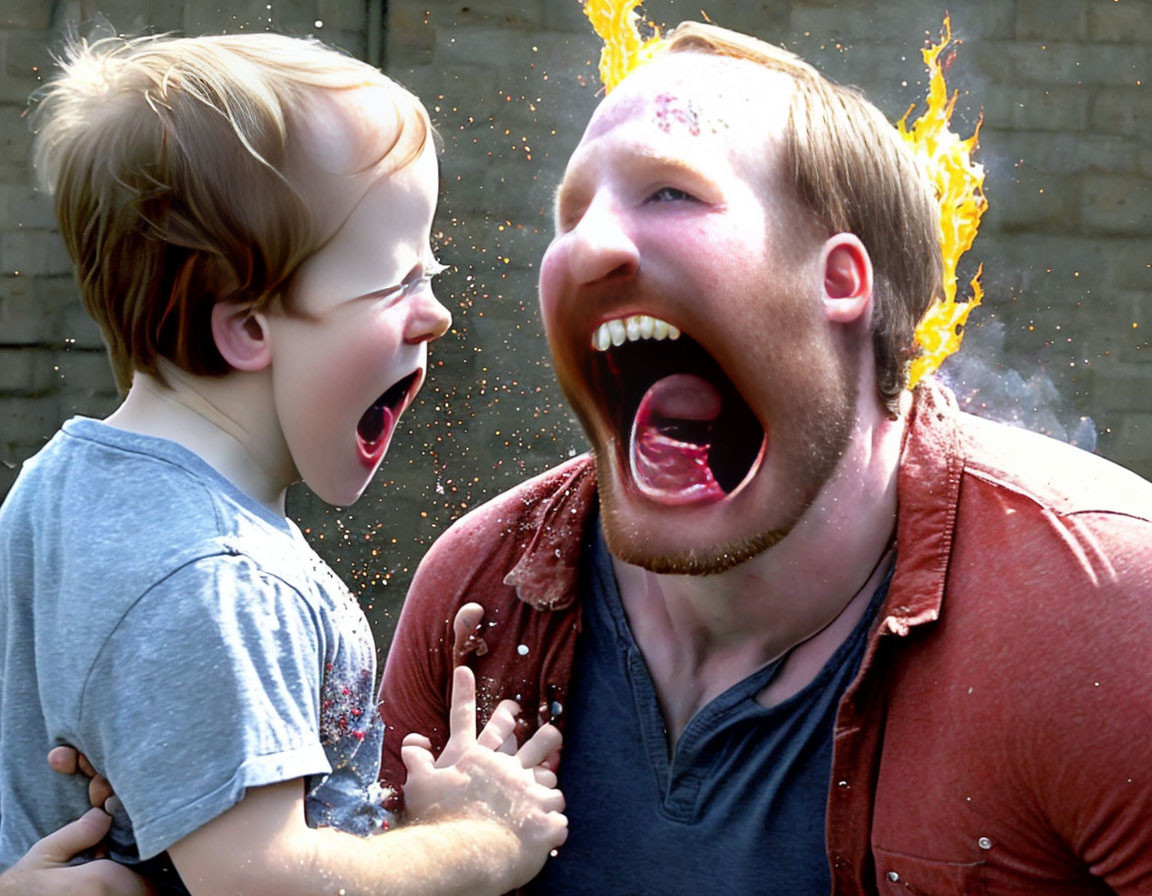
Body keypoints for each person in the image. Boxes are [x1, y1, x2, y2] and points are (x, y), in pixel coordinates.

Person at [377, 20, 1152, 895]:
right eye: (572, 212)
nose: (586, 246)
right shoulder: (482, 594)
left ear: (841, 281)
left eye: (670, 193)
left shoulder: (1104, 602)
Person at [0, 30, 566, 896]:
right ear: (250, 327)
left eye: (434, 269)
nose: (439, 316)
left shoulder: (54, 489)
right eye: (398, 281)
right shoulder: (217, 582)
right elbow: (265, 882)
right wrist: (472, 843)